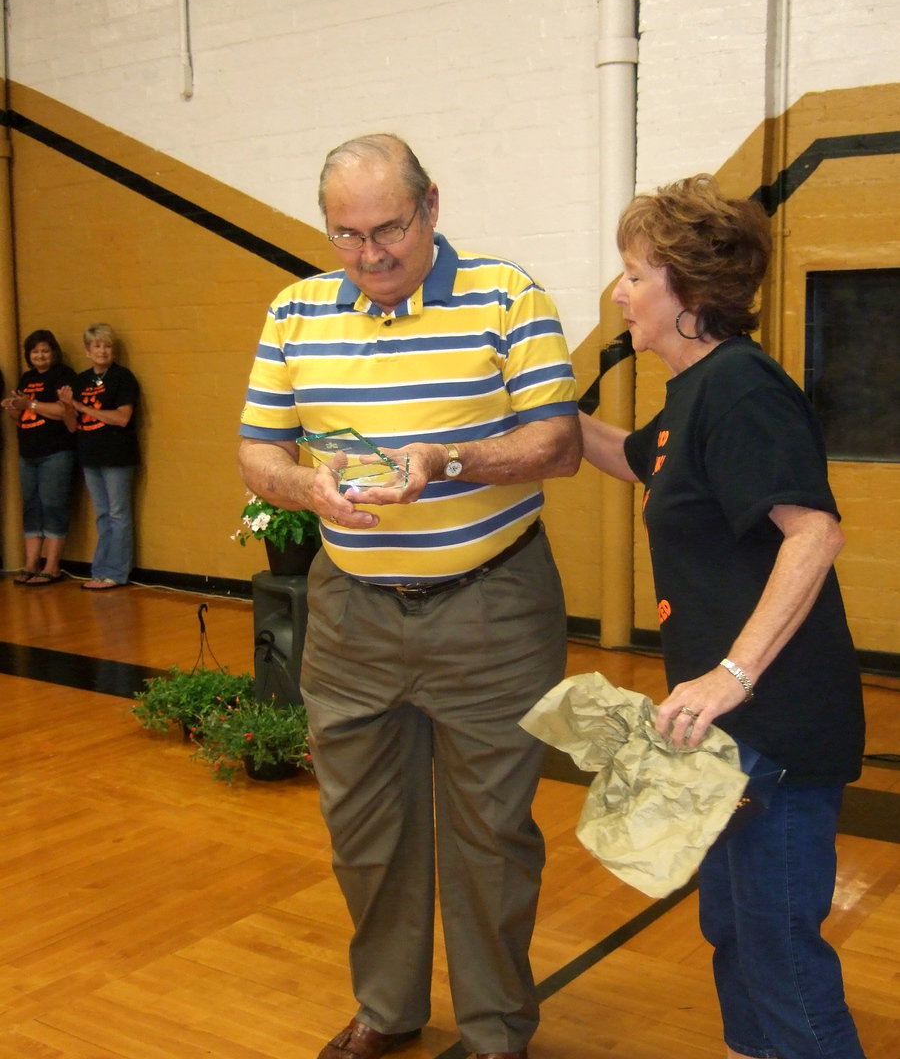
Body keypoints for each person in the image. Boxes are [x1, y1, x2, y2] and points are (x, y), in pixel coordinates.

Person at [238, 133, 581, 1059]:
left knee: (492, 833)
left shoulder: (510, 297)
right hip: (350, 609)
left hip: (492, 605)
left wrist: (449, 459)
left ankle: (496, 1030)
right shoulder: (295, 311)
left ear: (432, 208)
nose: (370, 254)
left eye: (388, 227)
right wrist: (306, 488)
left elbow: (557, 444)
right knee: (363, 829)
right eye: (345, 235)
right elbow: (259, 451)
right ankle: (387, 1010)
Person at [580, 175, 867, 1059]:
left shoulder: (741, 388)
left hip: (772, 725)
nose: (620, 294)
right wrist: (540, 400)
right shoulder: (694, 393)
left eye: (634, 275)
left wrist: (730, 674)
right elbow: (632, 461)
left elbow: (813, 532)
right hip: (725, 734)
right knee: (736, 934)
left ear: (688, 290)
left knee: (778, 950)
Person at [59, 323, 140, 591]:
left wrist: (82, 406)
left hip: (116, 454)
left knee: (118, 513)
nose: (102, 351)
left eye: (107, 346)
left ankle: (117, 573)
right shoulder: (81, 381)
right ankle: (100, 570)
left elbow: (121, 417)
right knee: (102, 515)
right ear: (88, 350)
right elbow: (72, 425)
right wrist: (68, 406)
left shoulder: (122, 377)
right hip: (89, 453)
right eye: (97, 346)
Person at [1, 329, 76, 584]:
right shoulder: (26, 377)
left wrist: (30, 405)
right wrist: (12, 407)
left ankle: (52, 565)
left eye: (45, 350)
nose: (40, 355)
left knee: (53, 506)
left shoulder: (63, 375)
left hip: (55, 451)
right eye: (35, 351)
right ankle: (31, 563)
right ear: (28, 355)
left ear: (53, 352)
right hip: (28, 453)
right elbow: (20, 418)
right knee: (31, 508)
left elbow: (63, 411)